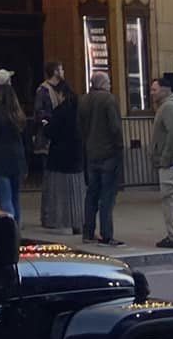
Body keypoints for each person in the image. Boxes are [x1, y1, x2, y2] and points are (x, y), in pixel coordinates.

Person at [78, 71, 126, 246]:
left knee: (91, 194)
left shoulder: (83, 100)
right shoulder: (108, 100)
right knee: (107, 196)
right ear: (103, 83)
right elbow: (115, 127)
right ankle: (106, 234)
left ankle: (88, 232)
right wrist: (120, 147)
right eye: (108, 81)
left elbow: (81, 127)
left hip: (91, 153)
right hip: (108, 153)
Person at [41, 74, 85, 236]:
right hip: (77, 156)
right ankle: (79, 222)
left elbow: (52, 131)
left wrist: (46, 126)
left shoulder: (61, 111)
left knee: (60, 192)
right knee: (77, 192)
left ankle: (60, 220)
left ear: (60, 94)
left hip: (60, 157)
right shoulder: (79, 107)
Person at [147, 76, 173, 250]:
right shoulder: (167, 106)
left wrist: (164, 157)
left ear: (164, 90)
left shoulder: (169, 107)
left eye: (154, 89)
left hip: (171, 162)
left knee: (170, 199)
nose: (151, 93)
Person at [0, 71, 27, 221]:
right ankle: (16, 227)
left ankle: (9, 229)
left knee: (5, 198)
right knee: (15, 198)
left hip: (0, 162)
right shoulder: (18, 115)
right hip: (17, 160)